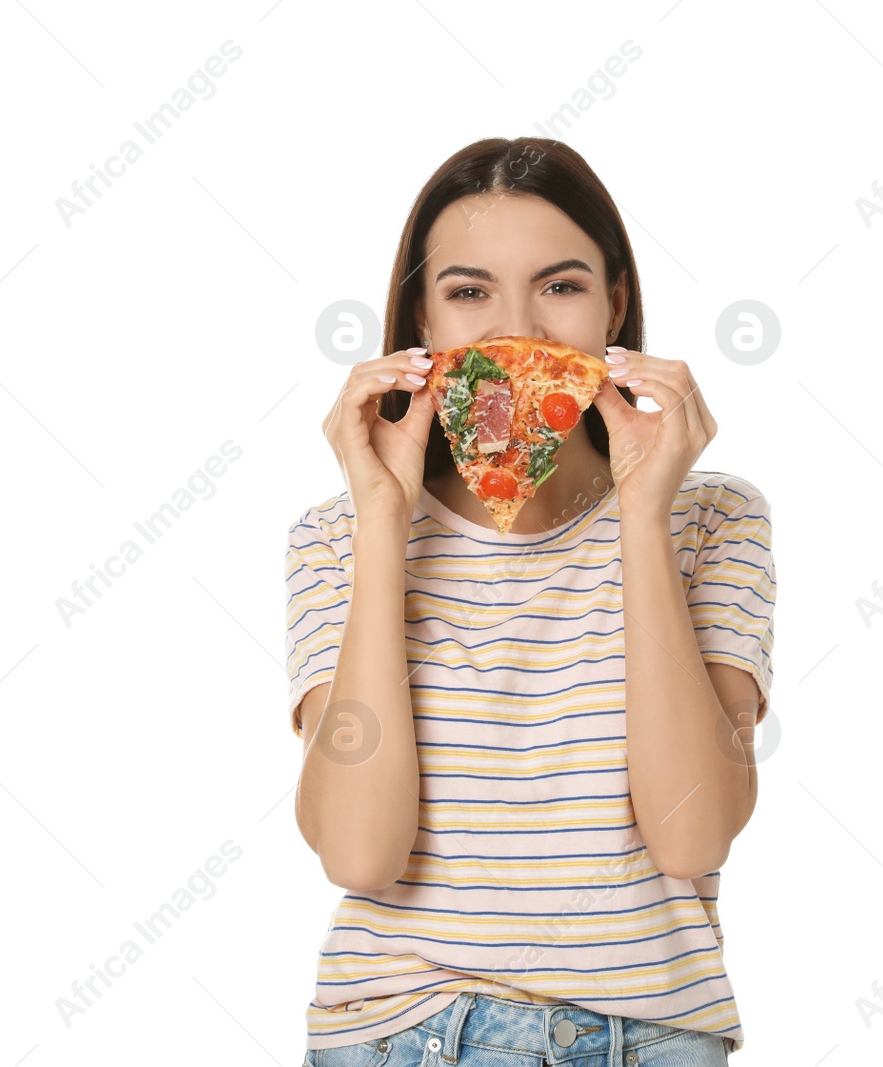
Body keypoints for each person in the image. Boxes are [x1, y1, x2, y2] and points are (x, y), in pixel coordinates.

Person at [287, 137, 776, 1066]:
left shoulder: (713, 519)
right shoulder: (334, 539)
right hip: (406, 1035)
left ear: (615, 305)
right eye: (470, 293)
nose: (522, 331)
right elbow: (359, 853)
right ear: (420, 320)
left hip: (656, 1037)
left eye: (560, 286)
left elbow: (693, 832)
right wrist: (384, 522)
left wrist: (642, 514)